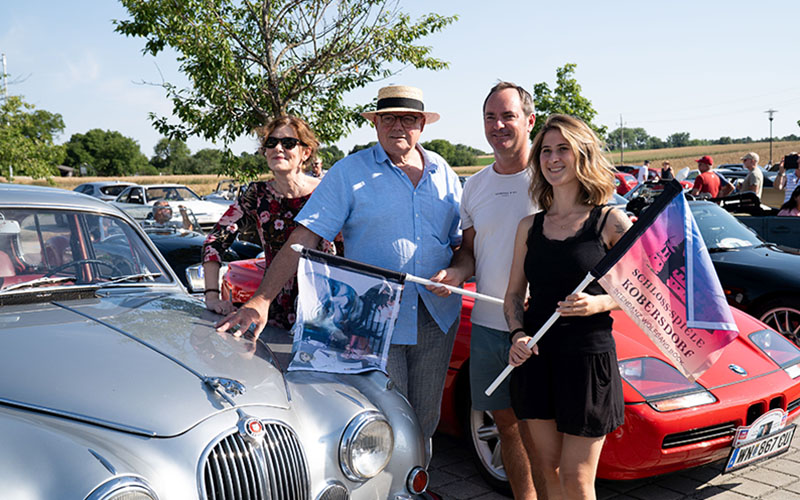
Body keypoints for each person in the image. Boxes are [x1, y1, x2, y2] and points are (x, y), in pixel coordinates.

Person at [214, 85, 463, 460]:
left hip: (436, 315)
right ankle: (387, 485)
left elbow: (462, 243)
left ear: (421, 125)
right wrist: (261, 300)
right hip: (375, 321)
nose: (398, 126)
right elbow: (304, 237)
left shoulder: (443, 172)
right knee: (386, 419)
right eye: (389, 118)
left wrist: (459, 270)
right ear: (376, 123)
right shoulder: (350, 172)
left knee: (426, 419)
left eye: (408, 118)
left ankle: (418, 480)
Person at [505, 114, 631, 499]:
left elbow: (644, 292)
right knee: (549, 470)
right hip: (537, 359)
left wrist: (599, 303)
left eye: (563, 149)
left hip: (587, 361)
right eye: (545, 151)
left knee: (576, 478)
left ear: (583, 155)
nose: (553, 158)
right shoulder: (528, 226)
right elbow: (514, 296)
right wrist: (517, 334)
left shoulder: (610, 221)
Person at [429, 82, 540, 499]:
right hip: (489, 326)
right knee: (507, 426)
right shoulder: (474, 186)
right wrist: (456, 273)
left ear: (529, 120)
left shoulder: (551, 177)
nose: (498, 125)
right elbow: (471, 253)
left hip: (541, 327)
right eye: (490, 117)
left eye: (508, 116)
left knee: (545, 431)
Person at [201, 115, 338, 330]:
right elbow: (215, 241)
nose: (278, 148)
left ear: (306, 152)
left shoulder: (327, 192)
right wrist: (211, 296)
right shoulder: (257, 195)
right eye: (271, 143)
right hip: (272, 310)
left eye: (288, 143)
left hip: (326, 310)